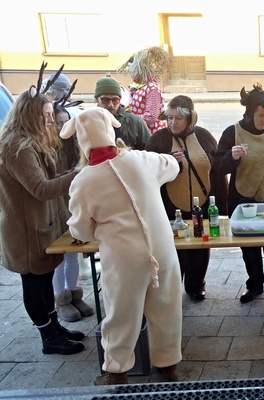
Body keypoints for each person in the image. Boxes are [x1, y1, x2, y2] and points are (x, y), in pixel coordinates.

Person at [62, 107, 182, 385]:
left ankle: (117, 373)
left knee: (121, 315)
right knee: (166, 307)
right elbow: (173, 166)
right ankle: (169, 367)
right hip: (162, 248)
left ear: (80, 140)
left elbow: (80, 230)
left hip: (123, 259)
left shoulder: (83, 182)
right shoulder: (140, 159)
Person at [0, 66, 84, 356]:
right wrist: (78, 174)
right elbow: (41, 188)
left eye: (51, 115)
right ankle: (48, 336)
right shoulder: (19, 148)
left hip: (38, 227)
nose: (50, 121)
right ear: (28, 115)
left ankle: (54, 327)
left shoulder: (31, 142)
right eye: (45, 116)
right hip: (26, 231)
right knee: (35, 283)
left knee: (44, 280)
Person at [213, 81, 264, 304]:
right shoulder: (233, 132)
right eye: (261, 115)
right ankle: (255, 285)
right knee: (250, 249)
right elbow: (218, 167)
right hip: (243, 202)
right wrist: (231, 157)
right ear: (250, 113)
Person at [146, 95, 227, 301]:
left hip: (203, 203)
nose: (172, 122)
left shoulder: (204, 136)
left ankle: (196, 284)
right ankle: (172, 286)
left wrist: (223, 203)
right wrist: (169, 163)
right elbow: (148, 173)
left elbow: (217, 170)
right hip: (170, 206)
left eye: (178, 118)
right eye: (169, 118)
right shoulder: (158, 139)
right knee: (173, 247)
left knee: (200, 245)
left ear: (190, 119)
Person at [52, 100, 95, 322]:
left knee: (73, 252)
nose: (62, 127)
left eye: (65, 122)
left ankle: (74, 294)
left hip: (73, 203)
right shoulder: (47, 147)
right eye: (57, 123)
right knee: (59, 255)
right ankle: (61, 300)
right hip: (55, 205)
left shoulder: (75, 145)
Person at [118, 46, 171, 134]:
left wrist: (128, 118)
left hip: (150, 134)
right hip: (139, 131)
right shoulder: (139, 86)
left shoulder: (152, 88)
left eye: (131, 70)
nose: (130, 73)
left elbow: (151, 117)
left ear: (139, 70)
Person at [93, 76, 151, 150]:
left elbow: (150, 152)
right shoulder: (88, 122)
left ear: (120, 100)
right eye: (105, 100)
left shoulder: (135, 122)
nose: (111, 105)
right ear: (96, 100)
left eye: (115, 100)